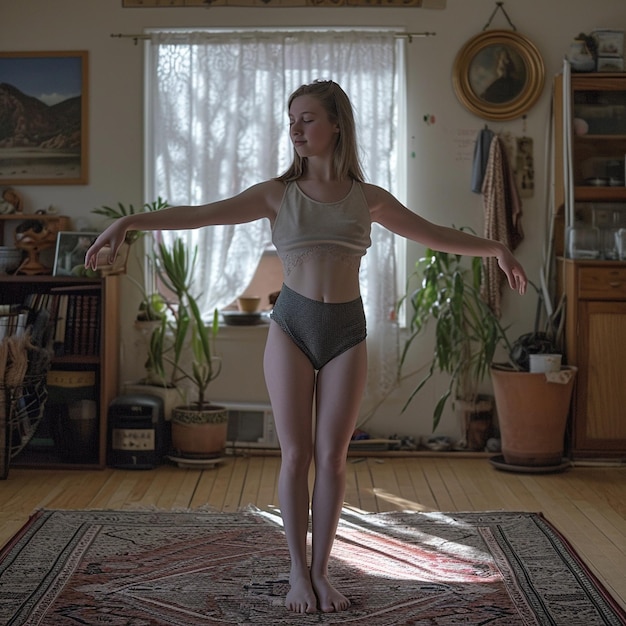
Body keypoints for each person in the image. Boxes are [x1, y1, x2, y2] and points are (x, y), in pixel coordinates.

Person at [85, 80, 527, 615]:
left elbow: (432, 233)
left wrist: (496, 247)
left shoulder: (369, 199)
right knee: (296, 455)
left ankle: (322, 572)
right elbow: (201, 214)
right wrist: (128, 223)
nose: (295, 128)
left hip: (347, 331)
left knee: (334, 459)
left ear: (337, 124)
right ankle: (297, 571)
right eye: (291, 119)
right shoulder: (277, 193)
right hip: (291, 326)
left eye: (308, 118)